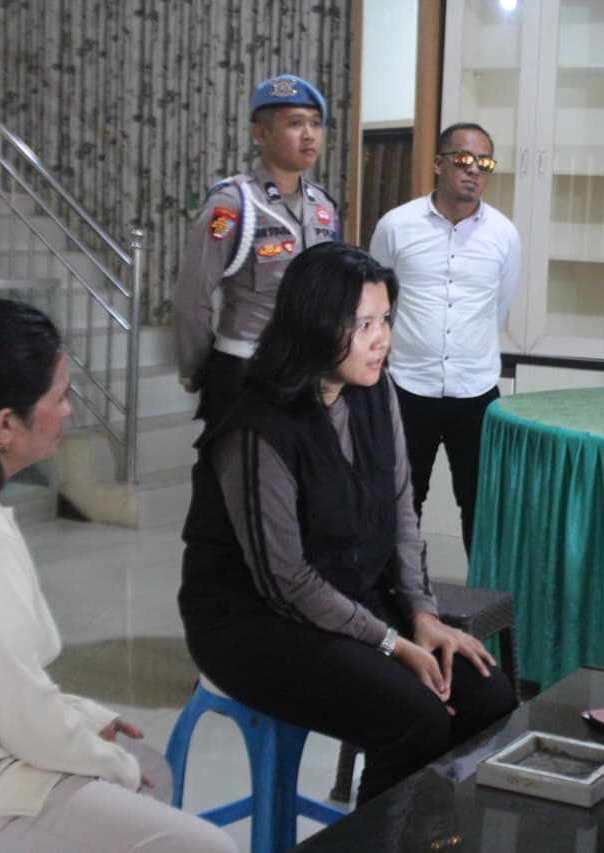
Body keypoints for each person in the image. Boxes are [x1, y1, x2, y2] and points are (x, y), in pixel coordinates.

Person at [0, 299, 235, 853]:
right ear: (5, 424)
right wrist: (106, 759)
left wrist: (81, 717)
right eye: (60, 396)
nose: (69, 411)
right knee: (206, 844)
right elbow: (14, 710)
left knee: (148, 769)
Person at [178, 243, 517, 805]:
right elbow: (285, 580)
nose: (382, 339)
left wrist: (423, 616)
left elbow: (403, 514)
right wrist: (391, 644)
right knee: (416, 718)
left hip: (351, 600)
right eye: (364, 325)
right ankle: (378, 839)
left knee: (489, 698)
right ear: (313, 324)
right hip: (254, 623)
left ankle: (433, 834)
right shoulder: (256, 426)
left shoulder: (374, 391)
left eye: (385, 320)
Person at [369, 122, 521, 554]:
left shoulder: (504, 235)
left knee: (481, 506)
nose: (474, 170)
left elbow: (498, 307)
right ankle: (397, 589)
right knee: (400, 502)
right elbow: (376, 303)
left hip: (476, 391)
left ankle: (483, 594)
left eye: (484, 163)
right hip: (407, 387)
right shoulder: (396, 226)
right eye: (463, 159)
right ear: (438, 163)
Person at [174, 73, 339, 424]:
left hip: (308, 368)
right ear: (261, 134)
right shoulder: (233, 205)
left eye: (315, 123)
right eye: (295, 123)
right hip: (247, 366)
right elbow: (192, 295)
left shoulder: (323, 205)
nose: (309, 135)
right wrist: (199, 368)